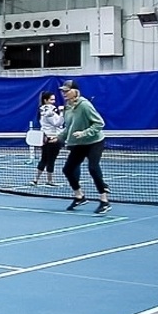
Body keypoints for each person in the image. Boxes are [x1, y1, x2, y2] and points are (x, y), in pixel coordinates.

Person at [59, 80, 111, 214]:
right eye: (63, 91)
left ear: (75, 91)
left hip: (94, 142)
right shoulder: (67, 107)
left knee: (93, 168)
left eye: (66, 90)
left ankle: (104, 200)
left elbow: (99, 123)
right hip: (79, 143)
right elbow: (69, 127)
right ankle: (79, 196)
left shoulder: (85, 105)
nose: (64, 93)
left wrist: (84, 133)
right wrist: (58, 138)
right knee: (68, 169)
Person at [31, 91, 65, 186]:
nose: (53, 102)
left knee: (45, 159)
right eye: (51, 99)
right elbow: (58, 123)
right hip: (52, 138)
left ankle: (36, 180)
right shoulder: (49, 111)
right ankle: (48, 181)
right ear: (45, 100)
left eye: (54, 99)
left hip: (48, 137)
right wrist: (62, 113)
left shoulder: (44, 110)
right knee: (49, 159)